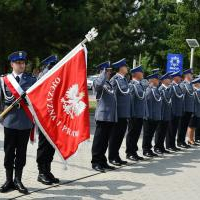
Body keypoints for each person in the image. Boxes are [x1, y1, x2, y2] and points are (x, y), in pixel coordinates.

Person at [0, 51, 36, 194]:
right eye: (18, 63)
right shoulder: (4, 80)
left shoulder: (32, 80)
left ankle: (18, 180)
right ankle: (8, 180)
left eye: (23, 63)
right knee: (9, 152)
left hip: (25, 122)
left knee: (21, 152)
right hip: (9, 121)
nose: (21, 65)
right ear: (12, 64)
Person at [36, 55, 60, 185]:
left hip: (54, 117)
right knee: (44, 145)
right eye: (52, 65)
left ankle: (47, 170)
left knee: (52, 145)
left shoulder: (55, 77)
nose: (55, 67)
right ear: (47, 66)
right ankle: (41, 172)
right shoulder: (42, 77)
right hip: (44, 117)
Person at [91, 61, 117, 173]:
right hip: (102, 116)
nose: (110, 73)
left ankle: (102, 161)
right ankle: (95, 162)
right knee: (99, 141)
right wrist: (102, 73)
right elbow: (98, 86)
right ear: (103, 71)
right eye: (108, 70)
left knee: (105, 141)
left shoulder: (109, 83)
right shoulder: (98, 81)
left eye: (110, 71)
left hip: (109, 117)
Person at [109, 58, 131, 166]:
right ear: (121, 68)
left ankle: (116, 155)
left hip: (124, 113)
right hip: (118, 114)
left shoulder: (124, 80)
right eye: (125, 66)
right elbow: (113, 98)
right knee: (115, 136)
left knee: (120, 136)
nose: (127, 68)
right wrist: (115, 114)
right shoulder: (115, 80)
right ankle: (112, 157)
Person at [126, 65, 145, 161]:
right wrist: (132, 114)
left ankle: (134, 151)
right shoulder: (132, 85)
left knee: (137, 133)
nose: (143, 74)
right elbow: (131, 100)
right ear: (136, 74)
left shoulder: (140, 84)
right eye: (141, 72)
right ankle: (129, 152)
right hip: (134, 114)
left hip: (140, 113)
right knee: (132, 133)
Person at [142, 72, 162, 157]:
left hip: (155, 116)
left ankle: (149, 149)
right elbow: (147, 103)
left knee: (151, 134)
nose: (158, 81)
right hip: (149, 116)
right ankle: (146, 150)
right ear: (153, 80)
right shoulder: (149, 90)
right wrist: (148, 115)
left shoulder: (156, 89)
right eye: (157, 79)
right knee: (147, 134)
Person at [154, 72, 172, 154]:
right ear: (164, 80)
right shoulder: (161, 89)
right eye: (168, 78)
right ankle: (157, 147)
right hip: (161, 113)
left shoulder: (167, 89)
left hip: (167, 113)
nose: (170, 80)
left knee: (164, 131)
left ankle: (161, 146)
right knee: (159, 131)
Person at [166, 71, 183, 152]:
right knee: (171, 129)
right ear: (175, 77)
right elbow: (169, 99)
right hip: (172, 111)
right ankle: (169, 145)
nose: (180, 78)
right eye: (179, 77)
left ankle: (172, 144)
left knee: (174, 129)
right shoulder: (172, 86)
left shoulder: (178, 86)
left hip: (178, 111)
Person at [177, 69, 194, 148]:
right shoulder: (182, 85)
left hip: (189, 109)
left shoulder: (191, 85)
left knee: (185, 126)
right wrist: (182, 109)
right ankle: (180, 142)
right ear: (187, 75)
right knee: (182, 126)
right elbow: (182, 98)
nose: (192, 76)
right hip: (184, 109)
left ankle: (183, 141)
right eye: (191, 74)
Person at [187, 77, 200, 146]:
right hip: (193, 111)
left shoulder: (197, 91)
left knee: (194, 126)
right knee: (191, 126)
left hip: (197, 111)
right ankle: (190, 139)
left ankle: (192, 139)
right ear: (197, 84)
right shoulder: (193, 92)